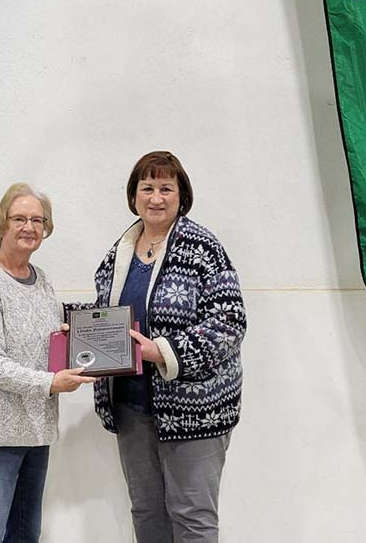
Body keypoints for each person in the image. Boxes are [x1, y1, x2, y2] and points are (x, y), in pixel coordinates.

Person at [91, 151, 246, 543]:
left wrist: (164, 351)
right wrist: (74, 329)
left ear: (181, 196)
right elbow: (107, 316)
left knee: (192, 517)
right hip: (131, 407)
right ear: (134, 196)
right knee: (146, 514)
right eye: (147, 188)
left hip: (195, 411)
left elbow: (230, 322)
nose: (155, 197)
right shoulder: (118, 253)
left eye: (165, 188)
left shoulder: (202, 247)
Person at [0, 183, 95, 543]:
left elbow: (45, 344)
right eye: (19, 218)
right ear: (2, 223)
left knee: (23, 536)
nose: (28, 227)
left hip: (35, 433)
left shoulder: (42, 281)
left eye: (37, 220)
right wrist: (49, 383)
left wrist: (71, 339)